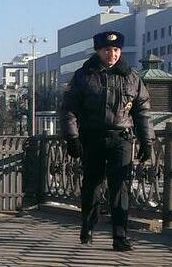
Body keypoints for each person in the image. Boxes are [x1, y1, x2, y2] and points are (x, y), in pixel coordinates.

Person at [62, 31, 153, 251]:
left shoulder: (131, 77)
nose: (111, 54)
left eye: (115, 50)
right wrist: (72, 138)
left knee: (120, 187)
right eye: (106, 50)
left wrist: (146, 140)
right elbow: (69, 109)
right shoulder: (83, 76)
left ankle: (120, 236)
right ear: (98, 51)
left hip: (121, 138)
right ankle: (88, 225)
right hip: (92, 138)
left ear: (120, 51)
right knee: (92, 185)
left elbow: (143, 111)